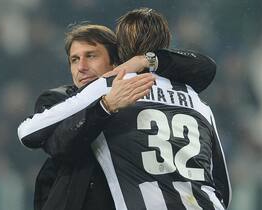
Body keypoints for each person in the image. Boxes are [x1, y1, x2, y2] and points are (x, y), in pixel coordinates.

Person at [18, 14, 222, 210]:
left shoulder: (113, 85)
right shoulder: (59, 99)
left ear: (116, 62)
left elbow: (206, 67)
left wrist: (144, 61)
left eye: (91, 56)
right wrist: (104, 107)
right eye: (74, 59)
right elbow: (59, 145)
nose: (81, 67)